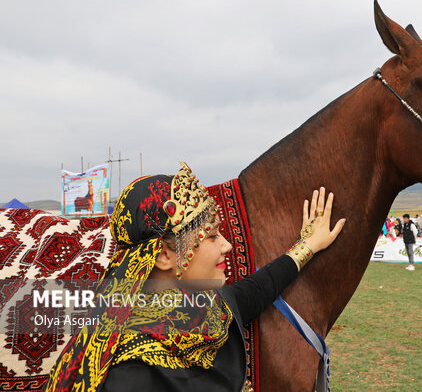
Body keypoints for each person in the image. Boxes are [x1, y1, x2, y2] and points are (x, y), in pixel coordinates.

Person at [46, 162, 346, 392]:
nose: (227, 245)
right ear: (164, 255)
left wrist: (309, 245)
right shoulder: (130, 371)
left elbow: (255, 290)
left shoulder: (198, 309)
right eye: (212, 235)